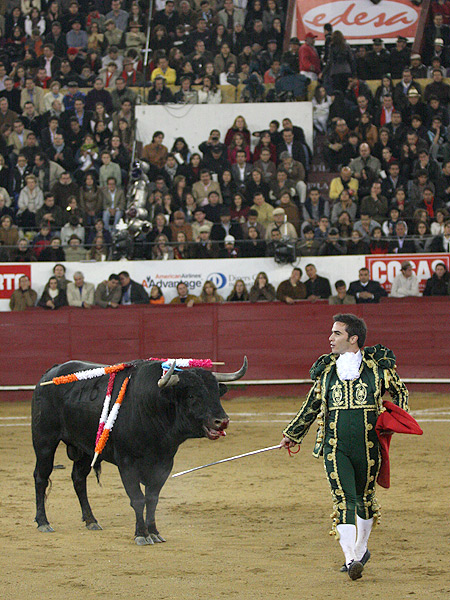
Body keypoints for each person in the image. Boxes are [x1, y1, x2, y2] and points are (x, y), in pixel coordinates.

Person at [280, 313, 409, 579]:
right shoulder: (327, 370)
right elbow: (312, 404)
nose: (330, 338)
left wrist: (393, 419)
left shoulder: (377, 368)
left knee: (365, 500)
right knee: (344, 500)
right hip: (334, 444)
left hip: (369, 445)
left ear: (353, 339)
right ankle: (351, 560)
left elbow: (401, 392)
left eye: (336, 333)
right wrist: (293, 434)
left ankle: (360, 550)